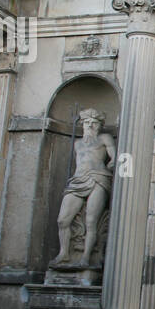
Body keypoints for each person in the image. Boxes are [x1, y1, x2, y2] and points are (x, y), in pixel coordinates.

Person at [51, 108, 115, 267]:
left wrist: (113, 163)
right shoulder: (77, 143)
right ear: (82, 124)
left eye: (94, 122)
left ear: (99, 125)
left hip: (98, 179)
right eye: (87, 122)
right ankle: (64, 253)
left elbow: (115, 157)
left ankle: (86, 257)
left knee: (92, 220)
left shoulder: (104, 138)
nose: (91, 125)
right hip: (78, 180)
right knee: (62, 220)